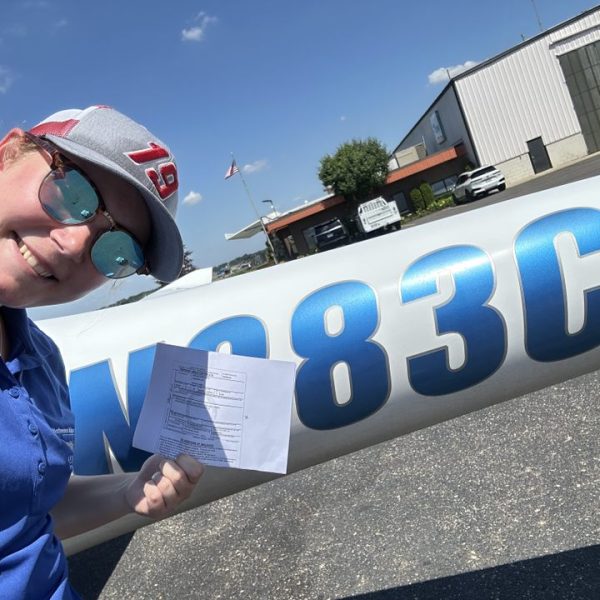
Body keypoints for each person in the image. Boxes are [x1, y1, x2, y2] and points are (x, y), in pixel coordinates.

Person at [0, 105, 204, 598]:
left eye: (116, 249)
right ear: (7, 152)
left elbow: (29, 509)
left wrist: (127, 492)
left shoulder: (41, 360)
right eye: (72, 190)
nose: (74, 244)